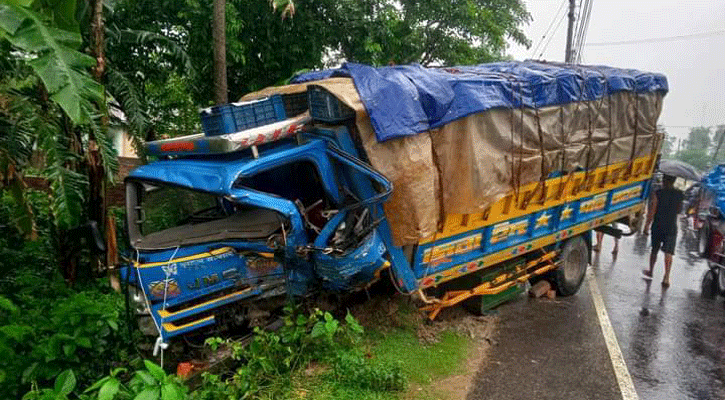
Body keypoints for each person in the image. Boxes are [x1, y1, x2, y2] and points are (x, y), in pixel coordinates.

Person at [643, 174, 684, 287]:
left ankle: (651, 271)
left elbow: (652, 210)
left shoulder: (658, 193)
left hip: (658, 225)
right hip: (671, 226)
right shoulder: (680, 194)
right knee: (669, 252)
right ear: (674, 180)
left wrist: (647, 225)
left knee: (654, 250)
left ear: (664, 180)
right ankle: (666, 277)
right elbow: (679, 210)